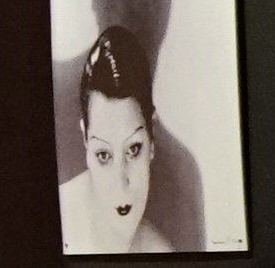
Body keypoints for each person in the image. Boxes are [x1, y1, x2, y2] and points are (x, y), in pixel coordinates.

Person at [59, 23, 201, 255]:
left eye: (134, 149)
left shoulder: (163, 253)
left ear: (151, 140)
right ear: (85, 139)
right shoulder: (55, 219)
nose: (120, 182)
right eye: (103, 155)